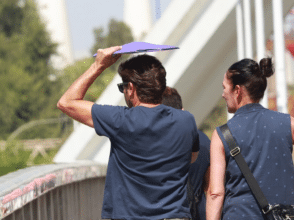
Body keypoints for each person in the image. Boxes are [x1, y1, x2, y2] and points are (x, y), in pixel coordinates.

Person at [57, 46, 199, 220]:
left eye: (122, 87)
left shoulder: (120, 120)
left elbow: (66, 102)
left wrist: (99, 66)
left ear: (130, 88)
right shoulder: (186, 120)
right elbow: (192, 157)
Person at [206, 58, 294, 220]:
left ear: (237, 90)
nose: (223, 94)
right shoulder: (288, 123)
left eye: (225, 88)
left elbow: (216, 193)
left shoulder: (222, 134)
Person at [162, 87, 210, 220]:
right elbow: (210, 186)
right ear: (182, 111)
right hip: (197, 213)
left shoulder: (153, 144)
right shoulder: (204, 140)